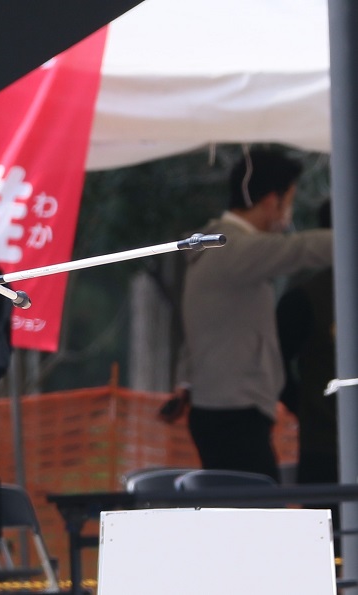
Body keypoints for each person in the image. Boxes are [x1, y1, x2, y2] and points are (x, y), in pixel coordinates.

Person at [174, 147, 332, 482]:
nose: (288, 212)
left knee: (248, 511)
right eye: (289, 200)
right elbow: (298, 250)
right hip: (234, 411)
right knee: (258, 516)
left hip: (226, 408)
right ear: (272, 201)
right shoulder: (231, 248)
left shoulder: (216, 247)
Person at [277, 201, 337, 485]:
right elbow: (276, 362)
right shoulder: (307, 299)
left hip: (322, 440)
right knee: (330, 528)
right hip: (325, 448)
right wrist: (307, 406)